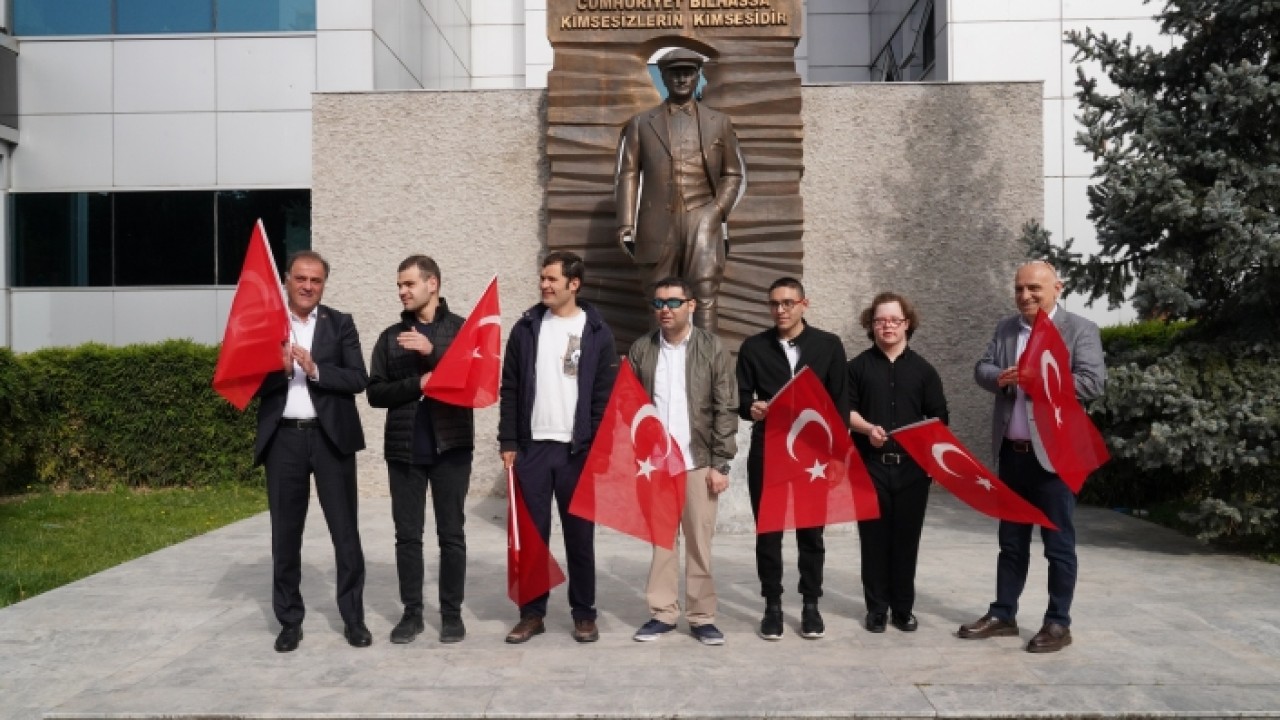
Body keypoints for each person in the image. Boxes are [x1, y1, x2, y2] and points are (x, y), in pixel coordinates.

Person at [959, 261, 1106, 653]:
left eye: (1034, 288)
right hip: (1013, 455)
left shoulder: (1080, 330)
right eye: (1019, 288)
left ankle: (1058, 622)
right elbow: (981, 368)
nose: (1025, 295)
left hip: (1056, 458)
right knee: (1011, 542)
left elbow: (1093, 383)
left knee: (1058, 545)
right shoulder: (1007, 328)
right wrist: (999, 378)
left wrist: (1041, 380)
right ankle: (1003, 614)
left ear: (1058, 288)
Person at [498, 251, 619, 644]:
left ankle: (584, 614)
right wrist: (508, 440)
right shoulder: (526, 328)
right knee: (532, 538)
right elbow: (510, 387)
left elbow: (603, 397)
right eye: (542, 278)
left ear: (574, 283)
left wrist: (597, 447)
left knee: (579, 538)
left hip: (577, 452)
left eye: (552, 279)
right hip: (532, 449)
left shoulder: (597, 331)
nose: (544, 285)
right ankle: (531, 614)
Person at [253, 250, 370, 653]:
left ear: (324, 284)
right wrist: (283, 370)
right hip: (283, 440)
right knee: (285, 535)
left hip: (330, 438)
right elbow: (249, 382)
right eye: (301, 278)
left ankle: (353, 619)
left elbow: (358, 378)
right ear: (287, 280)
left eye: (315, 280)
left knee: (345, 532)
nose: (307, 286)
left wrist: (315, 369)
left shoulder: (341, 323)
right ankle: (289, 621)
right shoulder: (268, 324)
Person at [367, 255, 474, 645]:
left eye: (409, 284)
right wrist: (418, 384)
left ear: (433, 283)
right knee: (408, 536)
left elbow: (473, 383)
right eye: (399, 285)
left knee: (452, 535)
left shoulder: (462, 330)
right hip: (405, 451)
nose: (402, 291)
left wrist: (433, 353)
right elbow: (375, 393)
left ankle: (451, 615)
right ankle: (411, 614)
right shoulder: (390, 337)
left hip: (452, 448)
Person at [735, 277, 848, 641]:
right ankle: (772, 605)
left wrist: (838, 456)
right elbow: (740, 398)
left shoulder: (828, 345)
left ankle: (811, 605)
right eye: (774, 303)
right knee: (768, 532)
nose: (780, 310)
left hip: (813, 454)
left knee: (811, 533)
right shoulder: (754, 347)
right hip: (768, 450)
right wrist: (750, 407)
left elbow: (840, 403)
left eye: (787, 303)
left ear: (804, 304)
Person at [627, 277, 738, 646]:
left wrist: (720, 463)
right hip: (656, 465)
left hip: (698, 462)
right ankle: (663, 613)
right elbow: (631, 407)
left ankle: (702, 617)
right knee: (662, 543)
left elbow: (726, 407)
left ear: (691, 305)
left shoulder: (711, 348)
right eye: (659, 303)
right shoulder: (642, 349)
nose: (665, 310)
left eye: (673, 302)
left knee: (699, 544)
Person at [615, 48, 746, 332]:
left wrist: (716, 211)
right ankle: (657, 355)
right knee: (658, 295)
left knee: (704, 292)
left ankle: (704, 354)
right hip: (657, 221)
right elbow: (628, 174)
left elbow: (733, 174)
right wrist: (626, 223)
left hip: (703, 217)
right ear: (663, 76)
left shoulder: (719, 122)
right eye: (675, 73)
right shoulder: (641, 123)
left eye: (688, 72)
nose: (682, 79)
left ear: (698, 76)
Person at [847, 292, 948, 634]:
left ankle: (903, 609)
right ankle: (876, 609)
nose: (887, 326)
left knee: (906, 541)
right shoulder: (857, 368)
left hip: (912, 470)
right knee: (873, 541)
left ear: (907, 324)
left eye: (894, 320)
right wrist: (867, 429)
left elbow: (939, 419)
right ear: (870, 324)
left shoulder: (924, 371)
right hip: (869, 466)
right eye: (880, 320)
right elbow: (845, 411)